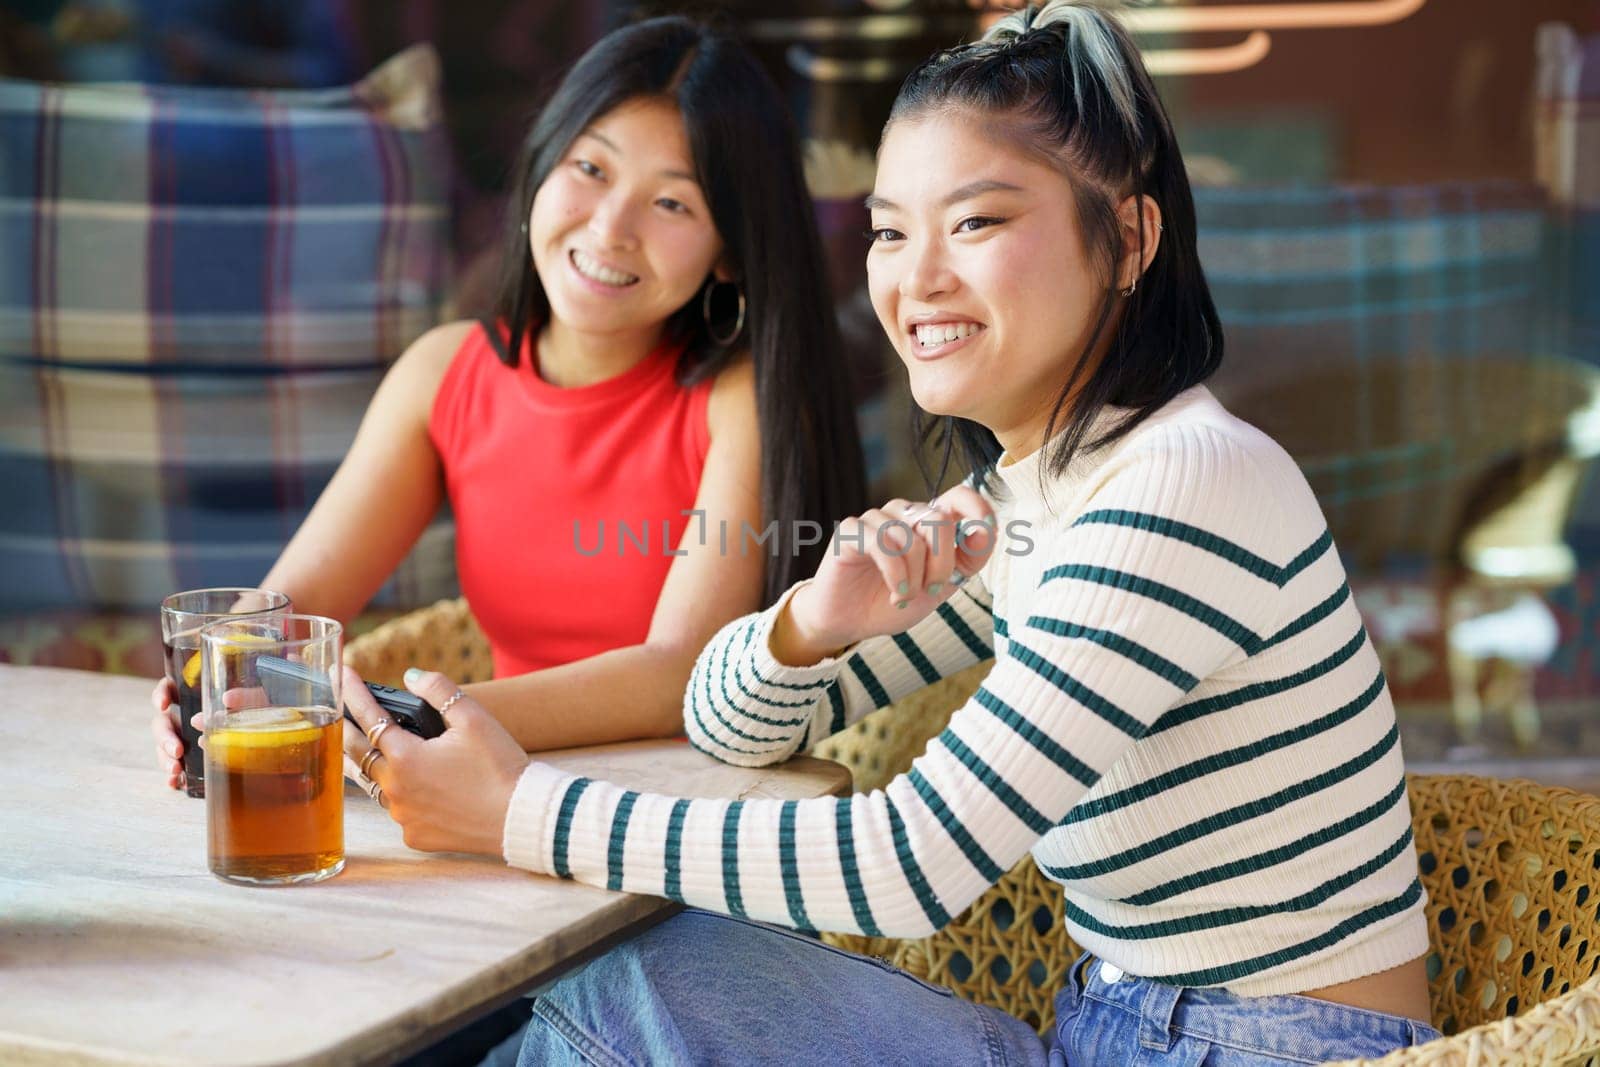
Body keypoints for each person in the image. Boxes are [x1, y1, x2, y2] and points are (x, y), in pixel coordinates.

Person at [335, 3, 1439, 1062]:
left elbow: (910, 864)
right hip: (1110, 1029)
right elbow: (728, 723)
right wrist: (809, 628)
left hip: (1274, 1049)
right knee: (635, 968)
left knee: (617, 979)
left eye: (976, 222)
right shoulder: (1031, 500)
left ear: (1131, 237)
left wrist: (516, 809)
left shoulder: (1182, 486)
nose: (917, 279)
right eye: (889, 230)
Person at [149, 15, 867, 786]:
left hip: (681, 820)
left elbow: (674, 677)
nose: (611, 227)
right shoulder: (444, 373)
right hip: (477, 795)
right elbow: (295, 612)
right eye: (591, 169)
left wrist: (418, 719)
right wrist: (226, 673)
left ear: (730, 252)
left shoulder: (738, 399)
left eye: (673, 205)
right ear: (542, 167)